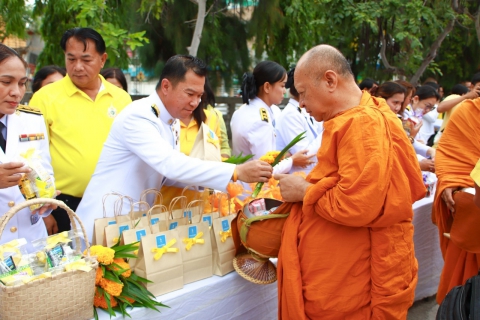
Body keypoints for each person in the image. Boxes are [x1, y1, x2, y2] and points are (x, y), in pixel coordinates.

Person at [274, 44, 426, 319]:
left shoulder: (363, 124)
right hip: (343, 270)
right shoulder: (367, 112)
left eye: (304, 92)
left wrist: (304, 190)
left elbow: (356, 205)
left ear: (330, 80)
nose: (301, 103)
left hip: (356, 280)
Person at [76, 54, 272, 241]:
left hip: (129, 220)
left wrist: (217, 185)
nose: (195, 102)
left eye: (199, 95)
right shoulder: (139, 116)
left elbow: (169, 176)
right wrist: (235, 171)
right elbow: (170, 165)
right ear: (166, 86)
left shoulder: (171, 120)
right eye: (189, 93)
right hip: (104, 218)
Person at [29, 28, 132, 233]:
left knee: (113, 261)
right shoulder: (44, 98)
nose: (77, 67)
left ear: (102, 59)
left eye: (86, 60)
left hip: (112, 202)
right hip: (63, 205)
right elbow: (32, 157)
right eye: (71, 59)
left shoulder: (121, 99)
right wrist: (41, 211)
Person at [0, 44, 58, 251]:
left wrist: (45, 201)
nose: (16, 92)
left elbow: (45, 171)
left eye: (22, 83)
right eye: (6, 82)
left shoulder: (31, 120)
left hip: (30, 242)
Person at [433, 96, 480, 304]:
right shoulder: (469, 112)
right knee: (465, 296)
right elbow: (452, 156)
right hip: (471, 207)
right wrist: (451, 180)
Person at [231, 61, 312, 175]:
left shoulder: (246, 110)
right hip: (253, 188)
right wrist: (292, 160)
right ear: (267, 87)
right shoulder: (259, 120)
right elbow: (266, 168)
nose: (284, 91)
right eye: (282, 86)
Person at [275, 67, 323, 174]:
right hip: (298, 177)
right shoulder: (290, 114)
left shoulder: (305, 110)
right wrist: (330, 127)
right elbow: (305, 156)